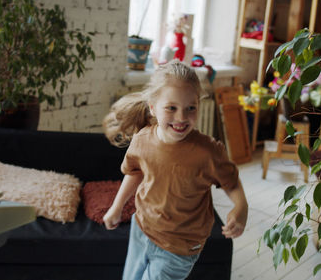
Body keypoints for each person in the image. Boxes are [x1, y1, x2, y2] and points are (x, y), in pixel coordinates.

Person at [102, 60, 248, 280]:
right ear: (153, 107)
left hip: (179, 248)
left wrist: (241, 206)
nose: (181, 117)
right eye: (171, 108)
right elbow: (135, 172)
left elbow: (231, 182)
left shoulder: (208, 152)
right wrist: (117, 207)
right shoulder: (143, 140)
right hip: (141, 229)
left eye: (191, 108)